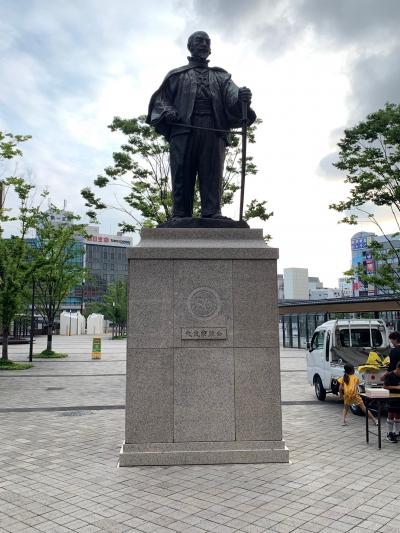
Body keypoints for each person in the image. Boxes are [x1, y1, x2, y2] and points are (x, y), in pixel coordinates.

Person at [146, 31, 256, 219]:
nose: (204, 44)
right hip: (183, 129)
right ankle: (180, 213)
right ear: (190, 46)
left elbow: (233, 96)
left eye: (207, 41)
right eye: (199, 41)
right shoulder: (176, 75)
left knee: (212, 172)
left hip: (213, 129)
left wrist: (241, 97)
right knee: (181, 172)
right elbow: (161, 99)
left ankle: (212, 211)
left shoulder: (221, 77)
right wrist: (168, 111)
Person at [383, 360, 400, 443]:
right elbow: (385, 386)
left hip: (399, 398)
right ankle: (389, 433)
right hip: (391, 398)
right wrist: (396, 387)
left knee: (398, 415)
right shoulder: (389, 375)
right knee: (391, 414)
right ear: (398, 369)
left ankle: (397, 432)